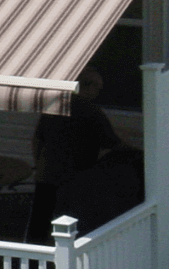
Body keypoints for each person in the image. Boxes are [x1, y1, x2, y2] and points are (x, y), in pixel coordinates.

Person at [27, 67, 123, 244]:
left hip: (46, 174)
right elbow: (112, 143)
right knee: (70, 223)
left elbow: (37, 140)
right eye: (98, 89)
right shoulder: (92, 112)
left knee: (39, 221)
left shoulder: (55, 107)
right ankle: (65, 259)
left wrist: (39, 164)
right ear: (89, 87)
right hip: (74, 176)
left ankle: (30, 261)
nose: (98, 93)